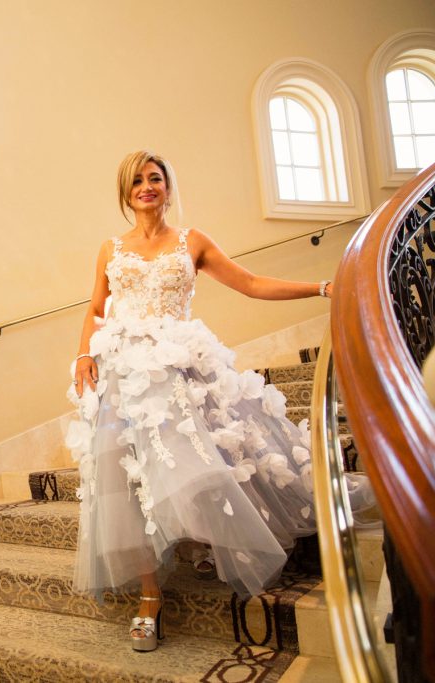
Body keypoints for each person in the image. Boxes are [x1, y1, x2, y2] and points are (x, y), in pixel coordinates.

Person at [65, 150, 333, 652]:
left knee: (203, 458)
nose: (147, 186)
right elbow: (95, 309)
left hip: (182, 364)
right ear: (126, 193)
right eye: (137, 181)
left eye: (155, 178)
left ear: (167, 187)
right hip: (124, 373)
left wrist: (320, 286)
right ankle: (149, 597)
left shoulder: (193, 241)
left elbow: (251, 283)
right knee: (125, 476)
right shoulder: (109, 249)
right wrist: (84, 354)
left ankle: (210, 540)